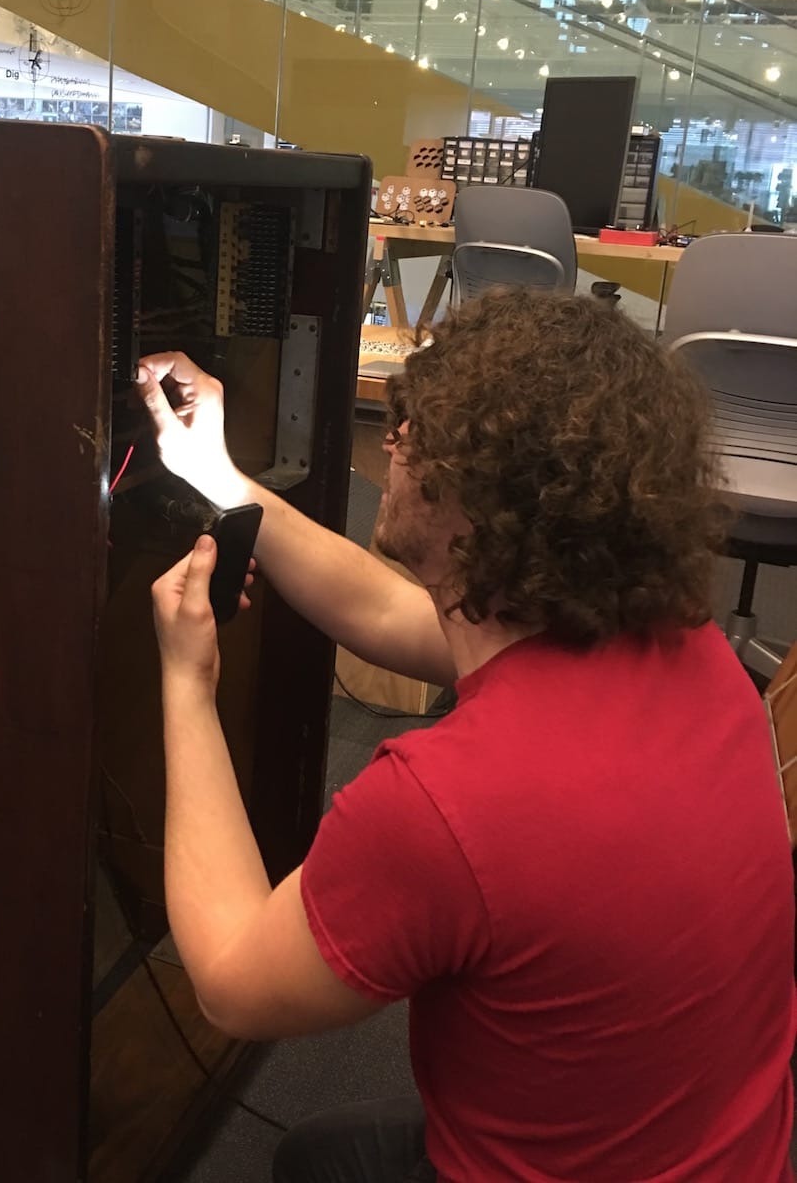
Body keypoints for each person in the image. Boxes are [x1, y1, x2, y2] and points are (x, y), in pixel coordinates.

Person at [137, 288, 796, 1183]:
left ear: (478, 511)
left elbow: (228, 976)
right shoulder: (693, 649)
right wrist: (224, 479)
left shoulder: (445, 805)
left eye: (419, 432)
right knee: (318, 1154)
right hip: (728, 1159)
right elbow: (382, 608)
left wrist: (185, 682)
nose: (395, 444)